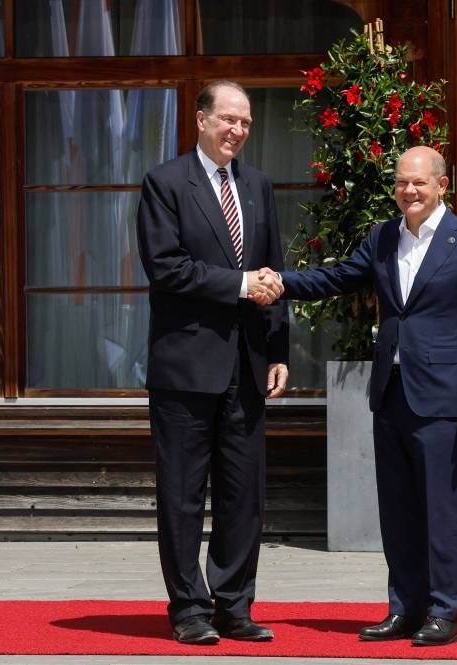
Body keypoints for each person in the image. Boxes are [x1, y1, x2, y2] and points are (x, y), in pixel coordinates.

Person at [255, 146, 457, 646]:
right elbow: (338, 276)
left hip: (441, 395)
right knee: (396, 509)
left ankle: (444, 613)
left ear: (441, 185)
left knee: (440, 508)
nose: (409, 191)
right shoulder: (384, 236)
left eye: (419, 183)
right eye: (402, 182)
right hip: (389, 394)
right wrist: (281, 282)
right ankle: (405, 609)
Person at [136, 80, 289, 645]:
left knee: (241, 496)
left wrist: (278, 349)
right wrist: (242, 284)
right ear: (200, 120)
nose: (237, 131)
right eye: (228, 119)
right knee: (181, 494)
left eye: (245, 122)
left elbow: (272, 273)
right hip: (185, 367)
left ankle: (235, 605)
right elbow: (167, 269)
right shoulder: (165, 183)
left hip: (246, 367)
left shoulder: (257, 186)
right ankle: (189, 610)